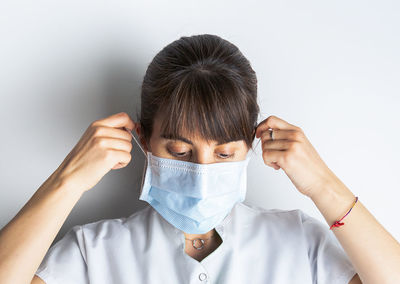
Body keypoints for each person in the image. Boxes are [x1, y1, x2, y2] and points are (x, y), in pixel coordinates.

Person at [0, 34, 399, 284]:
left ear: (252, 144)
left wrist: (323, 185)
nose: (202, 173)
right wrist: (68, 181)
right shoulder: (94, 254)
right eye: (179, 152)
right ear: (143, 140)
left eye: (224, 153)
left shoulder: (299, 244)